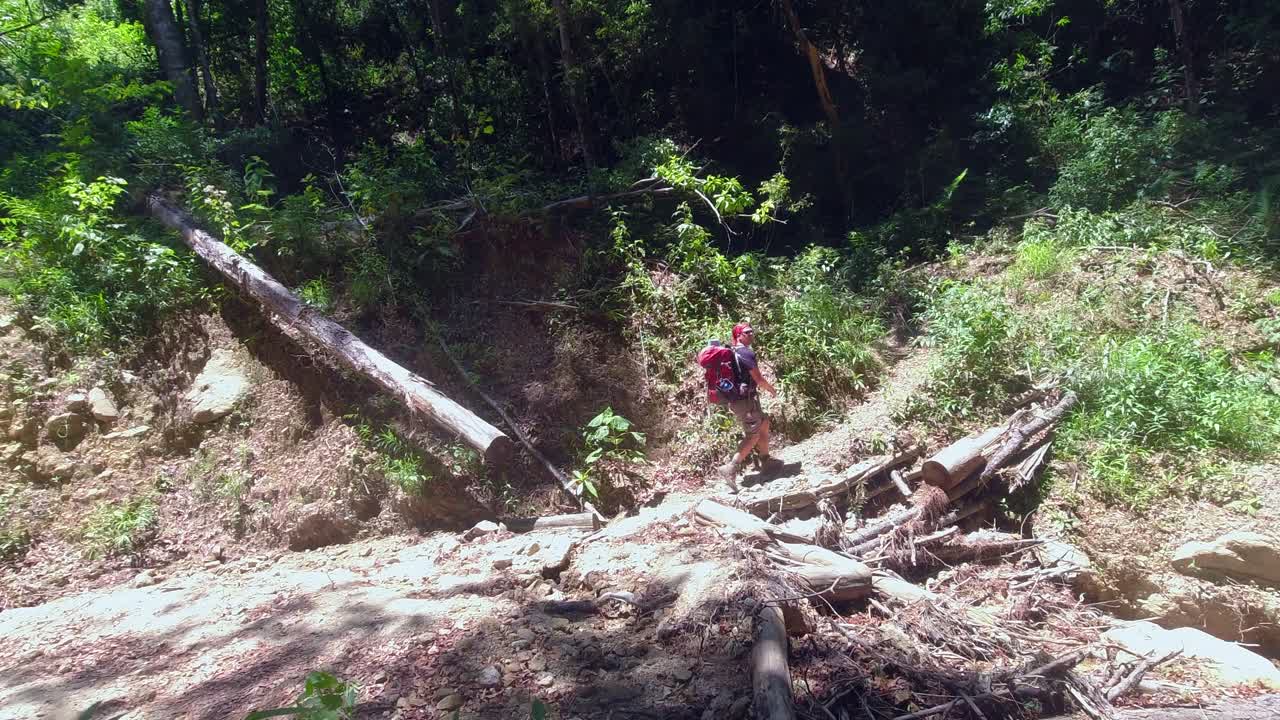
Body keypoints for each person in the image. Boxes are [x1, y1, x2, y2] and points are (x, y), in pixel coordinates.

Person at [717, 322, 782, 491]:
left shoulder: (734, 351)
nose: (752, 334)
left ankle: (766, 460)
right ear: (739, 335)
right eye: (747, 332)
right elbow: (758, 379)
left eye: (752, 331)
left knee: (764, 423)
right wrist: (772, 390)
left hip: (744, 400)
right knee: (752, 435)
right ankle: (730, 468)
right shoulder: (745, 352)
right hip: (744, 402)